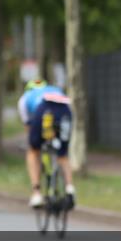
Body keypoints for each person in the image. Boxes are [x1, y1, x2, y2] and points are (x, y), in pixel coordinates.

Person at [19, 79, 75, 208]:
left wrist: (35, 141)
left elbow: (28, 126)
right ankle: (70, 189)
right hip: (65, 110)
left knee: (33, 151)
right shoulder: (55, 89)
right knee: (63, 155)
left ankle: (36, 193)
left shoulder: (25, 97)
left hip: (43, 110)